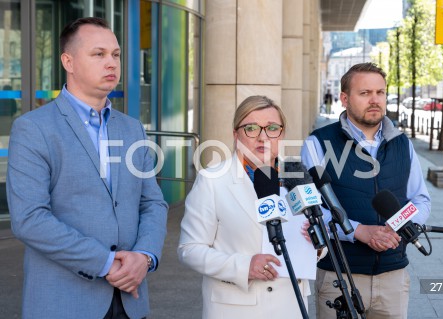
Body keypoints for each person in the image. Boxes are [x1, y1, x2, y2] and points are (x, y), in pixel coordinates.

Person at [7, 17, 168, 319]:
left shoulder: (133, 130)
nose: (111, 63)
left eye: (116, 55)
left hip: (131, 301)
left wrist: (144, 257)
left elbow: (152, 203)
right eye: (99, 54)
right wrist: (106, 263)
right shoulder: (33, 129)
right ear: (68, 61)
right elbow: (29, 219)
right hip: (64, 303)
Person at [301, 63, 431, 319]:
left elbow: (420, 200)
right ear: (345, 98)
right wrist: (357, 231)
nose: (375, 100)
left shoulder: (403, 144)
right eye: (365, 93)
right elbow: (310, 209)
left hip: (393, 277)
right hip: (337, 276)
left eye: (380, 92)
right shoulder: (317, 143)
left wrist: (395, 226)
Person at [178, 95, 316, 319]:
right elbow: (189, 249)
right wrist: (243, 266)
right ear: (235, 134)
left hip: (291, 307)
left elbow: (313, 243)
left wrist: (317, 244)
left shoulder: (296, 175)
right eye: (251, 128)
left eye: (272, 128)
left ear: (282, 133)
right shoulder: (213, 180)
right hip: (236, 309)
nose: (263, 137)